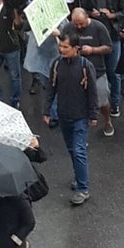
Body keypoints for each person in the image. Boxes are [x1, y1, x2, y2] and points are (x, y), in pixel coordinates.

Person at [43, 31, 99, 206]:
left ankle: (83, 188)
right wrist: (46, 111)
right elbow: (51, 89)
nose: (61, 50)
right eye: (60, 46)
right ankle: (78, 176)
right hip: (63, 116)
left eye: (65, 47)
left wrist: (93, 114)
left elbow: (92, 92)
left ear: (76, 48)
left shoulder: (85, 66)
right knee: (72, 150)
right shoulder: (56, 65)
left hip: (80, 117)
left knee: (79, 149)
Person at [59, 8, 115, 136]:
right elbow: (62, 45)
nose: (78, 26)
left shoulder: (98, 27)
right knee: (78, 103)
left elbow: (109, 47)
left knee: (102, 101)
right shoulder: (68, 28)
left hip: (97, 70)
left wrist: (92, 50)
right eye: (76, 24)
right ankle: (81, 131)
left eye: (81, 23)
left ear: (87, 18)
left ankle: (107, 121)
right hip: (75, 71)